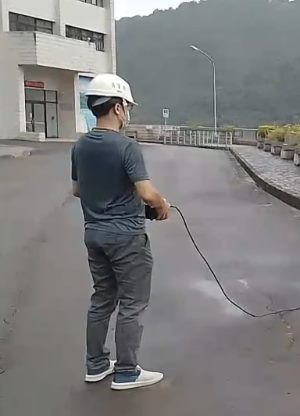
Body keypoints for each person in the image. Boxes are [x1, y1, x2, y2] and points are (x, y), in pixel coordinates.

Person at [71, 74, 170, 391]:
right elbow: (147, 193)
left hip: (94, 234)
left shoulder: (81, 145)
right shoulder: (126, 147)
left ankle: (96, 365)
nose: (128, 112)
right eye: (126, 106)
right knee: (132, 303)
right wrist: (161, 205)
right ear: (116, 107)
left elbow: (77, 189)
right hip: (126, 237)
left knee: (102, 299)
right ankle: (127, 371)